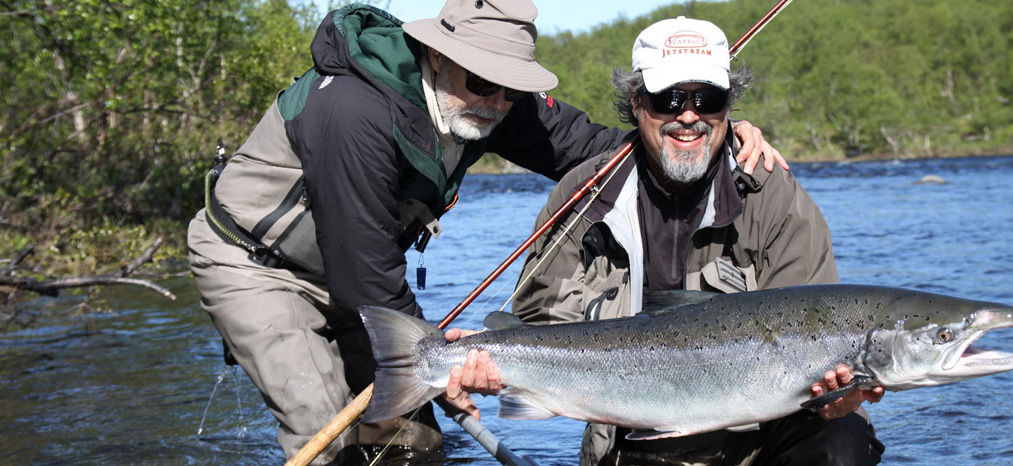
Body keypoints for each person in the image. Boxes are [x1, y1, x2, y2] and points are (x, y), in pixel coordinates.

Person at [187, 1, 782, 464]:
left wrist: (712, 137)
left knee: (412, 447)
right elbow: (365, 278)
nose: (497, 102)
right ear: (436, 57)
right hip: (255, 266)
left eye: (510, 88)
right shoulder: (351, 114)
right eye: (481, 83)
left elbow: (605, 152)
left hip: (350, 271)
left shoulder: (486, 95)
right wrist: (446, 371)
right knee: (322, 425)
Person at [451, 16, 886, 466]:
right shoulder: (586, 195)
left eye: (709, 98)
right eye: (669, 98)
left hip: (758, 443)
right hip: (626, 440)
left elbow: (822, 325)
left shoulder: (772, 196)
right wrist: (492, 362)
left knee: (843, 439)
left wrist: (835, 397)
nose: (689, 115)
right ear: (637, 103)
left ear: (728, 106)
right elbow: (539, 323)